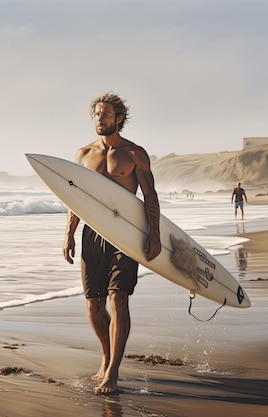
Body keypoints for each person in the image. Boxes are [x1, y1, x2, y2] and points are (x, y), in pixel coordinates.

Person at [63, 92, 162, 394]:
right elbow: (75, 198)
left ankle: (113, 373)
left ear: (119, 118)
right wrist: (69, 232)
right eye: (96, 114)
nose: (100, 119)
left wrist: (154, 233)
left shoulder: (134, 154)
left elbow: (150, 195)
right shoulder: (83, 154)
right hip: (92, 233)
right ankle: (107, 356)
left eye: (106, 114)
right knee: (94, 304)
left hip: (125, 233)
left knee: (118, 298)